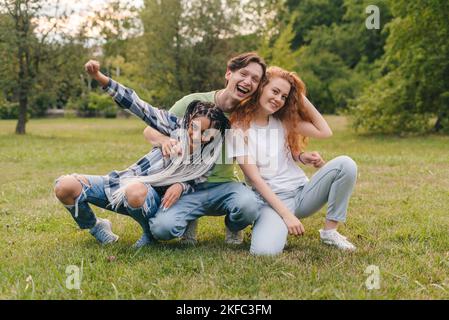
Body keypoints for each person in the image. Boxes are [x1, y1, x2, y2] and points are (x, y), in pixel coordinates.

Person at [54, 60, 230, 248]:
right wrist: (99, 77)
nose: (197, 136)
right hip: (122, 182)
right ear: (187, 122)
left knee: (135, 190)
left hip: (149, 199)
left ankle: (149, 235)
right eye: (194, 128)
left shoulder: (208, 157)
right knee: (65, 186)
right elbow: (138, 105)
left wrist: (181, 185)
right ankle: (96, 227)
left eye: (205, 133)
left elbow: (197, 186)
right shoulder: (173, 126)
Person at [228, 66, 358, 256]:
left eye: (284, 96)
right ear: (261, 87)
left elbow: (325, 131)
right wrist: (287, 216)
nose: (278, 99)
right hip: (270, 202)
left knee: (346, 164)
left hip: (302, 193)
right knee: (264, 252)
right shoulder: (238, 128)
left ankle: (330, 232)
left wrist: (297, 94)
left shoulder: (283, 120)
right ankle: (251, 224)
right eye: (274, 91)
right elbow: (255, 179)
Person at [145, 52, 267, 244]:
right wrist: (164, 141)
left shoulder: (248, 115)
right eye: (243, 74)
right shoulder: (193, 102)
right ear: (229, 74)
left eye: (255, 79)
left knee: (249, 206)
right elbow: (149, 131)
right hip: (187, 185)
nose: (248, 81)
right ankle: (189, 218)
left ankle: (234, 226)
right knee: (162, 229)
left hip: (225, 185)